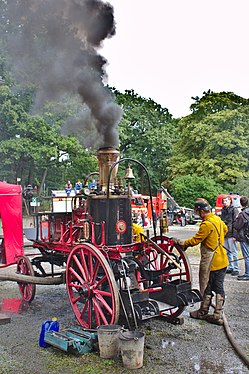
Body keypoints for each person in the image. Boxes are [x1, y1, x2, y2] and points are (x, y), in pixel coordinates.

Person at [174, 198, 228, 325]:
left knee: (208, 286)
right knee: (218, 286)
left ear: (201, 211)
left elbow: (195, 240)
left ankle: (204, 312)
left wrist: (182, 243)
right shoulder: (217, 219)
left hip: (212, 261)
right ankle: (216, 314)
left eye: (197, 212)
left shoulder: (206, 224)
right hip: (222, 259)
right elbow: (225, 230)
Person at [220, 195, 239, 275]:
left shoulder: (234, 210)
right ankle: (230, 266)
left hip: (231, 233)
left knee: (234, 251)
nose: (225, 202)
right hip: (225, 233)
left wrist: (235, 235)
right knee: (227, 251)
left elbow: (236, 223)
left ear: (230, 201)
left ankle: (236, 268)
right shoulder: (223, 210)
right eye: (224, 201)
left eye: (226, 201)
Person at [233, 196, 249, 281]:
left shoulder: (242, 214)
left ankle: (247, 274)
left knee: (246, 256)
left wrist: (236, 219)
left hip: (244, 237)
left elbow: (237, 226)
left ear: (240, 203)